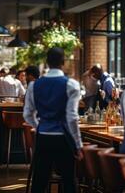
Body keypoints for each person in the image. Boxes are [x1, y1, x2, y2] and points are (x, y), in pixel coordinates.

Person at [23, 47, 83, 193]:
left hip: (43, 137)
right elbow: (72, 117)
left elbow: (27, 114)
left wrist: (39, 126)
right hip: (63, 139)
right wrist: (78, 144)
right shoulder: (71, 84)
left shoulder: (33, 85)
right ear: (63, 62)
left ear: (47, 62)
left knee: (39, 181)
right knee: (69, 180)